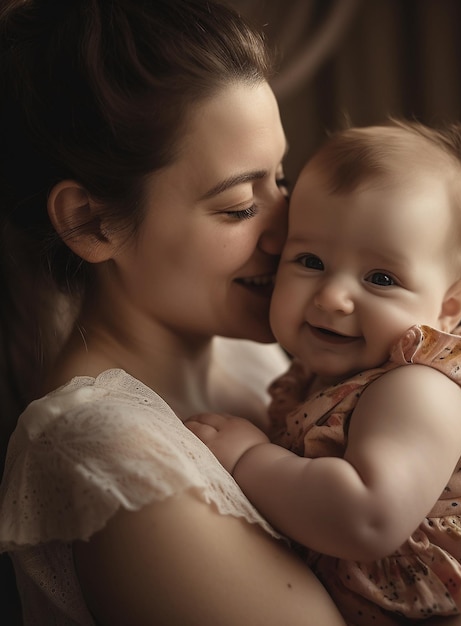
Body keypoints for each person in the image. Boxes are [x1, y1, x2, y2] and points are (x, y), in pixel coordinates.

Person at [0, 1, 351, 624]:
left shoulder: (251, 352)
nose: (289, 230)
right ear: (91, 222)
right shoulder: (108, 457)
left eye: (281, 178)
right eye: (241, 205)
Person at [187, 120, 461, 625]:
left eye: (380, 278)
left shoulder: (422, 388)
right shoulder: (323, 381)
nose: (332, 297)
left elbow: (368, 517)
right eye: (309, 260)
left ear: (449, 307)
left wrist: (248, 457)